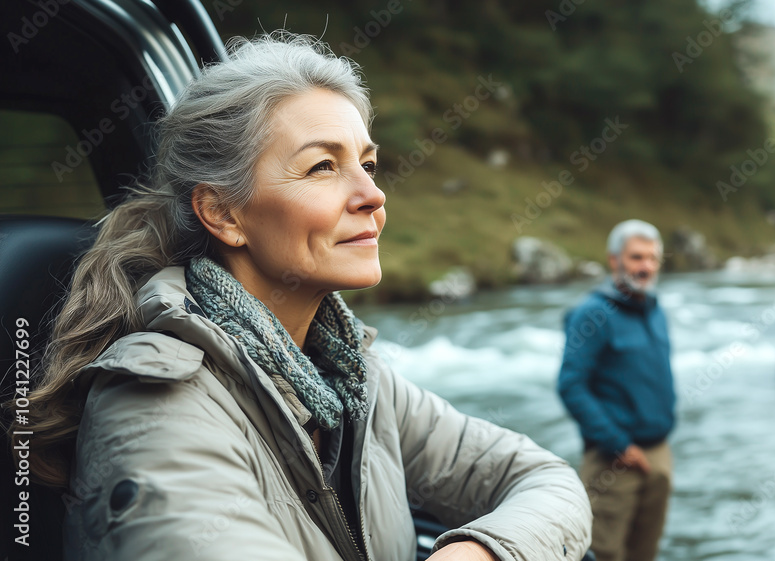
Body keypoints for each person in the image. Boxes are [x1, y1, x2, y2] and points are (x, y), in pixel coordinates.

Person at [15, 33, 590, 561]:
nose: (373, 194)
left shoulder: (351, 375)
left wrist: (481, 552)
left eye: (368, 164)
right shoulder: (155, 405)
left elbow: (546, 479)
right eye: (322, 167)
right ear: (223, 213)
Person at [557, 219, 677, 561]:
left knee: (645, 553)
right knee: (602, 553)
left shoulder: (654, 309)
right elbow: (571, 385)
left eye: (652, 258)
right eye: (637, 257)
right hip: (614, 462)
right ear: (614, 260)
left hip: (659, 454)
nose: (646, 267)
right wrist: (618, 443)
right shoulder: (592, 314)